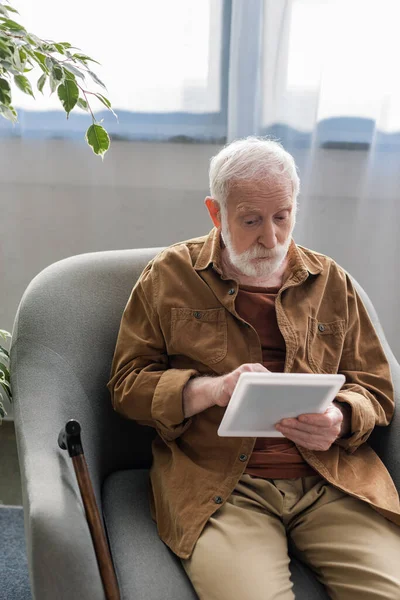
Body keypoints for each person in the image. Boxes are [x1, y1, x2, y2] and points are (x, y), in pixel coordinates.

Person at [108, 137, 400, 600]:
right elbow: (126, 388)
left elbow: (377, 388)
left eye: (282, 217)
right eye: (251, 221)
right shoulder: (169, 277)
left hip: (330, 479)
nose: (271, 238)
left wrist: (340, 419)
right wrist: (211, 390)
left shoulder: (332, 283)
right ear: (216, 213)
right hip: (223, 487)